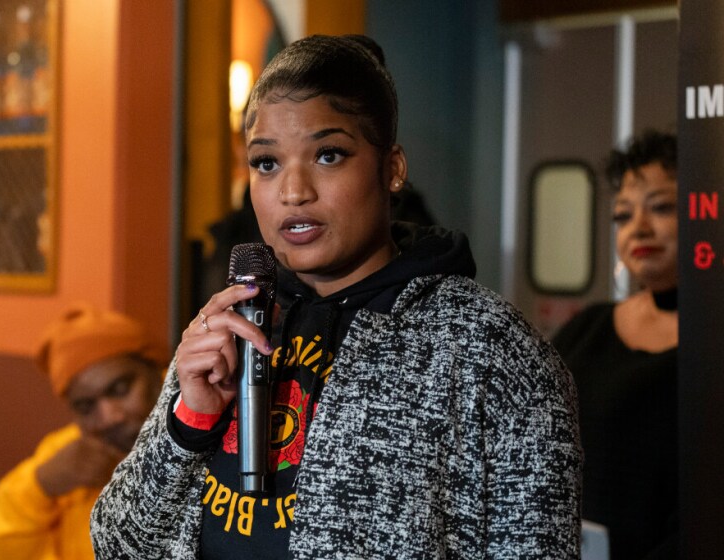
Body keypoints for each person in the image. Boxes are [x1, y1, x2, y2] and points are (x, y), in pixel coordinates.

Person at [91, 34, 581, 559]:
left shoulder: (488, 346)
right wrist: (190, 423)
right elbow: (117, 546)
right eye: (266, 163)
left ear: (391, 169)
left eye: (328, 155)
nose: (293, 191)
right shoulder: (231, 321)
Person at [552, 130, 678, 559]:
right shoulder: (587, 328)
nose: (639, 228)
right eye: (623, 216)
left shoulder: (711, 346)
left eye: (662, 208)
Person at [0, 304, 165, 560]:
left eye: (120, 389)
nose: (109, 418)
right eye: (85, 406)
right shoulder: (67, 456)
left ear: (157, 370)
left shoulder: (213, 431)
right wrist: (40, 487)